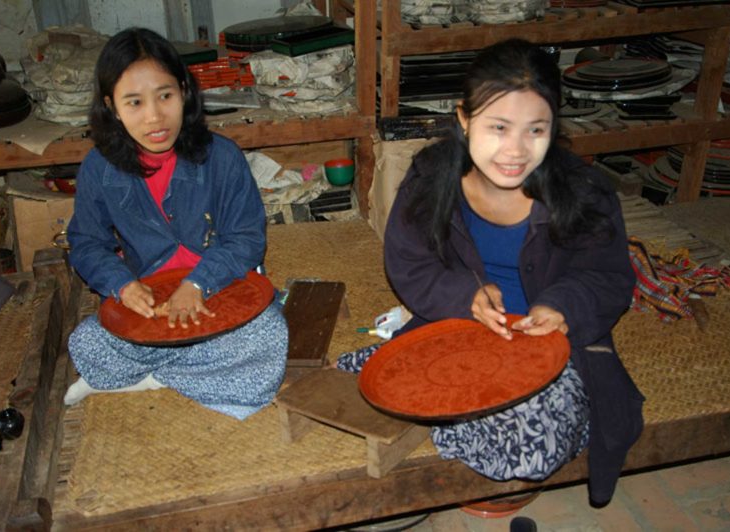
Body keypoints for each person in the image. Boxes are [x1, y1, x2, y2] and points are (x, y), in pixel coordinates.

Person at [337, 39, 644, 506]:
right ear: (464, 119)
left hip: (549, 347)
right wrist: (465, 296)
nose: (516, 150)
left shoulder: (584, 193)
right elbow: (409, 265)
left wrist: (561, 305)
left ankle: (450, 425)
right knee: (360, 383)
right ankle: (453, 419)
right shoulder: (429, 180)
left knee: (531, 455)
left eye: (535, 130)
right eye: (498, 127)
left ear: (553, 126)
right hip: (460, 330)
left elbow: (609, 276)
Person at [62, 27, 288, 420]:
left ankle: (153, 376)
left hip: (219, 287)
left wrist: (198, 282)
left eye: (165, 96)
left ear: (184, 91)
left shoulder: (223, 157)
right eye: (134, 102)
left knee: (270, 336)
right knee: (86, 345)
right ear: (111, 106)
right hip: (149, 300)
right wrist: (122, 285)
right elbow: (86, 242)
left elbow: (246, 238)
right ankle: (189, 372)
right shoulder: (99, 168)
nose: (154, 117)